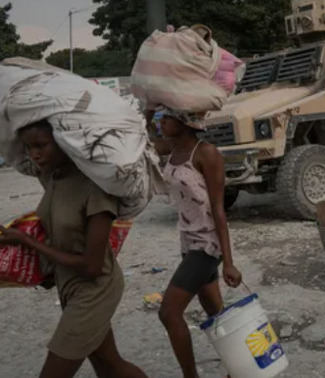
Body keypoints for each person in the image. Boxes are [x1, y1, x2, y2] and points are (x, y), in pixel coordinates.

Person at [0, 120, 146, 378]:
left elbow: (92, 266)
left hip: (95, 289)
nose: (34, 154)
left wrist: (27, 242)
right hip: (68, 285)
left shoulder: (95, 188)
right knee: (109, 365)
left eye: (41, 145)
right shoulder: (52, 178)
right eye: (28, 147)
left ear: (63, 142)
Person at [152, 107, 243, 378]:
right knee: (217, 313)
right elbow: (143, 142)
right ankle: (240, 368)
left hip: (206, 245)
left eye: (166, 118)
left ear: (184, 121)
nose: (162, 123)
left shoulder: (206, 153)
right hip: (187, 241)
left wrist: (229, 261)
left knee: (168, 313)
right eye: (161, 118)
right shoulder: (171, 149)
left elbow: (218, 208)